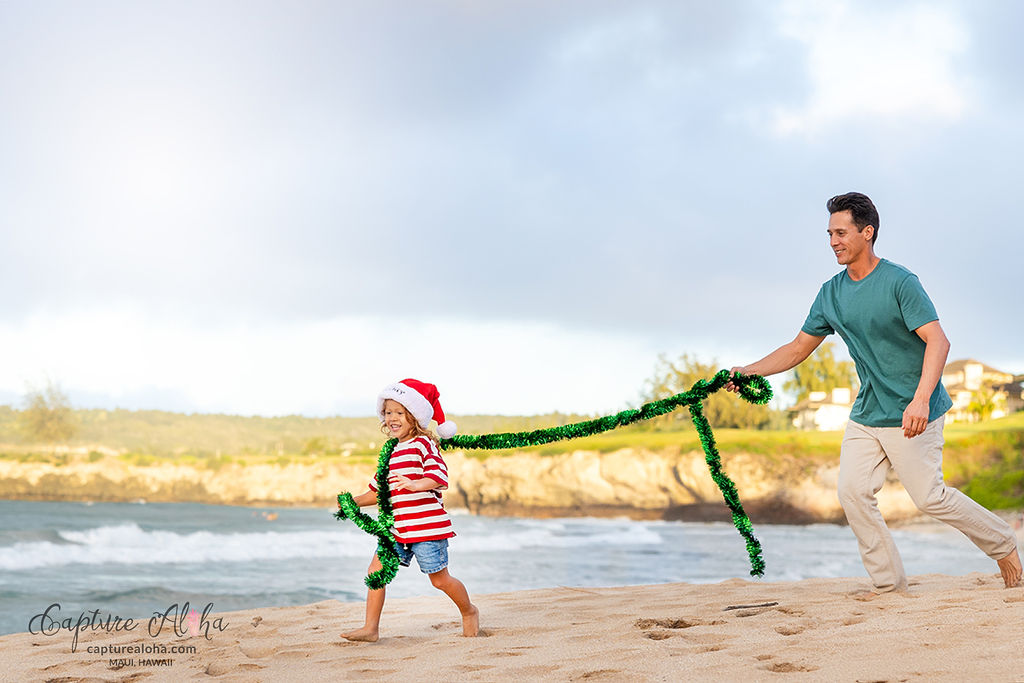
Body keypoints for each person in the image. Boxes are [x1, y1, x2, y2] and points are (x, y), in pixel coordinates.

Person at [726, 192, 1022, 594]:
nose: (833, 241)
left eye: (841, 232)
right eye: (830, 233)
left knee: (929, 497)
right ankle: (889, 586)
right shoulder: (831, 293)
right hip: (869, 412)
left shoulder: (900, 282)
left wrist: (920, 400)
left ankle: (1003, 545)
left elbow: (939, 342)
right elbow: (797, 348)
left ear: (867, 233)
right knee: (851, 492)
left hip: (916, 410)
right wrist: (748, 370)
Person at [340, 378, 479, 641]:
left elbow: (439, 478)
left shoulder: (424, 445)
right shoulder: (390, 452)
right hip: (397, 529)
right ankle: (371, 629)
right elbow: (380, 491)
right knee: (376, 571)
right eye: (388, 412)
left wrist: (416, 485)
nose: (391, 417)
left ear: (414, 416)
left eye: (399, 412)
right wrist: (353, 501)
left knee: (439, 580)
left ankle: (469, 611)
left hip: (426, 527)